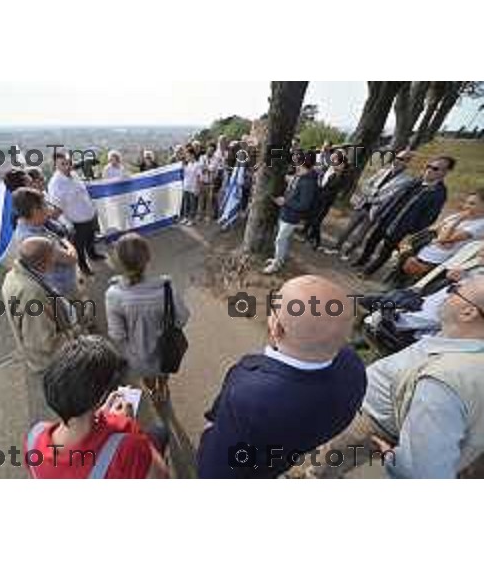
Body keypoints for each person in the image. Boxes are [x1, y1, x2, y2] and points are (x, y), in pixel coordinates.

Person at [197, 275, 367, 479]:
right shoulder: (355, 370)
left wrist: (209, 432)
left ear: (276, 329)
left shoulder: (248, 392)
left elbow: (215, 469)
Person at [317, 275, 484, 479]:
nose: (446, 294)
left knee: (321, 470)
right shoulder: (460, 344)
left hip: (370, 423)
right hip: (368, 413)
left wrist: (394, 459)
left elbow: (423, 471)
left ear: (469, 312)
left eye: (455, 290)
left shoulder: (443, 381)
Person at [25, 335, 170, 479]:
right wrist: (131, 427)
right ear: (102, 398)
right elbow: (161, 475)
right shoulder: (127, 445)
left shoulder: (34, 437)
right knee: (160, 432)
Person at [105, 233, 189, 402]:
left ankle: (152, 392)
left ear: (118, 263)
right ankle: (163, 387)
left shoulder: (114, 295)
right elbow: (182, 318)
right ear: (148, 258)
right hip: (166, 351)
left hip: (137, 356)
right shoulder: (167, 288)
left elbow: (117, 335)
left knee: (147, 375)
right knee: (164, 371)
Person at [352, 156, 452, 276]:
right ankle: (362, 260)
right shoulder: (416, 181)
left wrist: (411, 231)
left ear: (445, 172)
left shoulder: (439, 193)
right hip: (387, 219)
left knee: (385, 251)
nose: (429, 170)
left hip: (402, 228)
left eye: (435, 168)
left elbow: (429, 217)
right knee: (371, 241)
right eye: (428, 166)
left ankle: (368, 272)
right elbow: (393, 198)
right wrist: (381, 213)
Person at [2, 237, 79, 380]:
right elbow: (44, 342)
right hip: (50, 361)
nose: (55, 262)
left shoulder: (13, 275)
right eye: (53, 258)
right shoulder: (31, 295)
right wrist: (74, 335)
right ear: (43, 264)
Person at [329, 150, 415, 258]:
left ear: (407, 162)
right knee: (348, 228)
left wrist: (371, 197)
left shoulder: (406, 180)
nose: (397, 160)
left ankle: (347, 253)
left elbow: (390, 197)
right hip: (363, 204)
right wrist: (370, 193)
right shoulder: (383, 171)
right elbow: (366, 184)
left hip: (376, 210)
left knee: (361, 235)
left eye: (401, 159)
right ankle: (335, 248)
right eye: (396, 157)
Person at [400, 189, 484, 279]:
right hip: (421, 251)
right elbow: (434, 228)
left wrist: (457, 221)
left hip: (435, 262)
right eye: (466, 203)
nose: (466, 206)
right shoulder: (459, 215)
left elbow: (443, 240)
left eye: (472, 204)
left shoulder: (480, 224)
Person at [12, 187, 79, 298]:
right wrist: (66, 242)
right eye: (45, 205)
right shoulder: (33, 240)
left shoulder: (29, 225)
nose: (48, 209)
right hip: (62, 289)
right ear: (35, 210)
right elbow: (72, 258)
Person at [48, 151, 105, 276]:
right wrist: (67, 226)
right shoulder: (55, 184)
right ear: (56, 165)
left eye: (69, 163)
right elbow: (57, 209)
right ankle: (83, 267)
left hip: (90, 214)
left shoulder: (74, 174)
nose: (67, 166)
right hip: (77, 222)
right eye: (63, 164)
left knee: (90, 239)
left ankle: (93, 255)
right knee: (79, 247)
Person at [262, 156, 319, 274]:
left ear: (304, 166)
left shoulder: (308, 183)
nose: (296, 167)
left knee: (280, 240)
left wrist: (285, 202)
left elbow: (304, 205)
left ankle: (276, 264)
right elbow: (293, 190)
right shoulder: (301, 176)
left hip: (292, 216)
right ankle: (279, 258)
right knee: (284, 239)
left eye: (298, 165)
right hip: (286, 212)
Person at [304, 156, 353, 250]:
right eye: (333, 161)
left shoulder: (342, 177)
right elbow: (323, 182)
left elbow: (333, 189)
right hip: (320, 198)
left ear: (342, 165)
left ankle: (317, 241)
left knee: (316, 221)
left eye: (337, 162)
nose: (334, 163)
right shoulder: (331, 172)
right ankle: (311, 238)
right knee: (313, 219)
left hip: (326, 202)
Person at [180, 146, 202, 225]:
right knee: (186, 203)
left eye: (188, 155)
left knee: (193, 204)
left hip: (193, 187)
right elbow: (184, 175)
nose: (186, 157)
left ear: (192, 155)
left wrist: (198, 188)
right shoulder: (187, 164)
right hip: (186, 186)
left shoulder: (197, 165)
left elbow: (199, 177)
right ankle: (186, 217)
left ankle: (192, 219)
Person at [198, 142, 218, 222]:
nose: (210, 151)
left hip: (210, 182)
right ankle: (199, 215)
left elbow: (212, 169)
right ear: (207, 149)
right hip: (202, 181)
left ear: (214, 151)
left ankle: (207, 216)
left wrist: (206, 168)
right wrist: (207, 168)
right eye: (209, 149)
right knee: (201, 199)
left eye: (212, 150)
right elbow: (201, 168)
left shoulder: (216, 159)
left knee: (209, 200)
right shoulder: (202, 157)